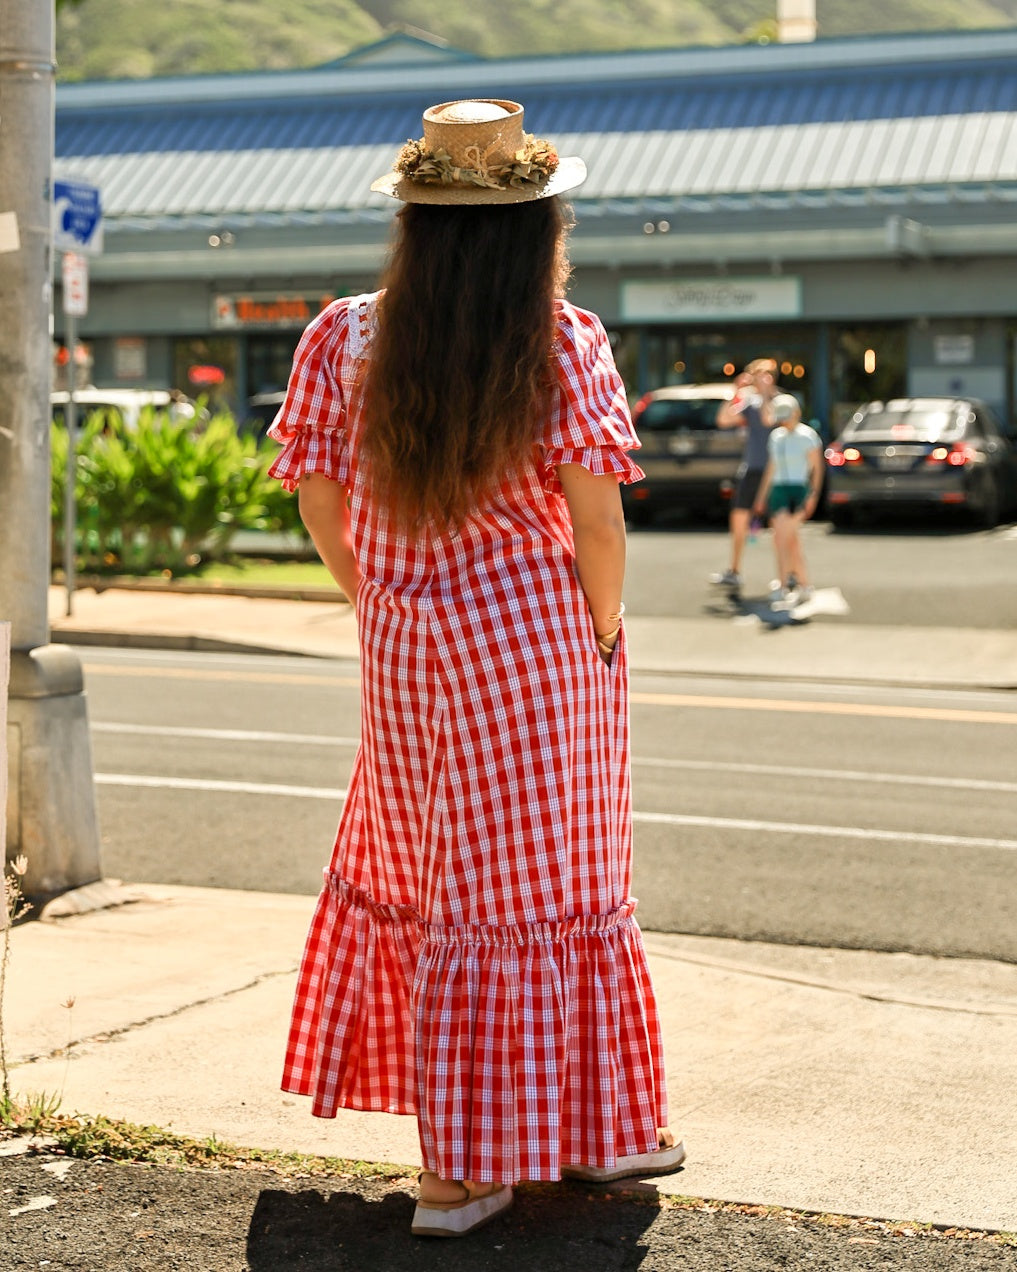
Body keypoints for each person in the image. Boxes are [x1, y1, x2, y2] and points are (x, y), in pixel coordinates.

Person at [267, 98, 683, 1240]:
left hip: (406, 644)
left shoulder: (344, 334)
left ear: (414, 218)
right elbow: (596, 522)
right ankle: (473, 1169)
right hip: (535, 646)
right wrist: (602, 630)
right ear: (538, 221)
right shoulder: (562, 335)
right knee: (549, 890)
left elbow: (317, 496)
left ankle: (570, 1136)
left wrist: (382, 601)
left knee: (444, 884)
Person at [709, 358, 779, 589]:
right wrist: (735, 392)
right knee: (738, 519)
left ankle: (786, 576)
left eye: (763, 375)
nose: (759, 380)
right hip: (752, 469)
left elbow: (770, 419)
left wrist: (766, 393)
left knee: (781, 526)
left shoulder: (780, 401)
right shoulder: (750, 402)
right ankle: (734, 570)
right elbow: (723, 420)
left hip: (776, 471)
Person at [754, 393, 823, 606]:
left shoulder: (807, 436)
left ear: (797, 413)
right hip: (778, 489)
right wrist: (761, 496)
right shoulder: (776, 437)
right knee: (786, 540)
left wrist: (813, 495)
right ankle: (803, 584)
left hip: (798, 489)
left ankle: (784, 584)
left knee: (784, 536)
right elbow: (772, 467)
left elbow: (817, 469)